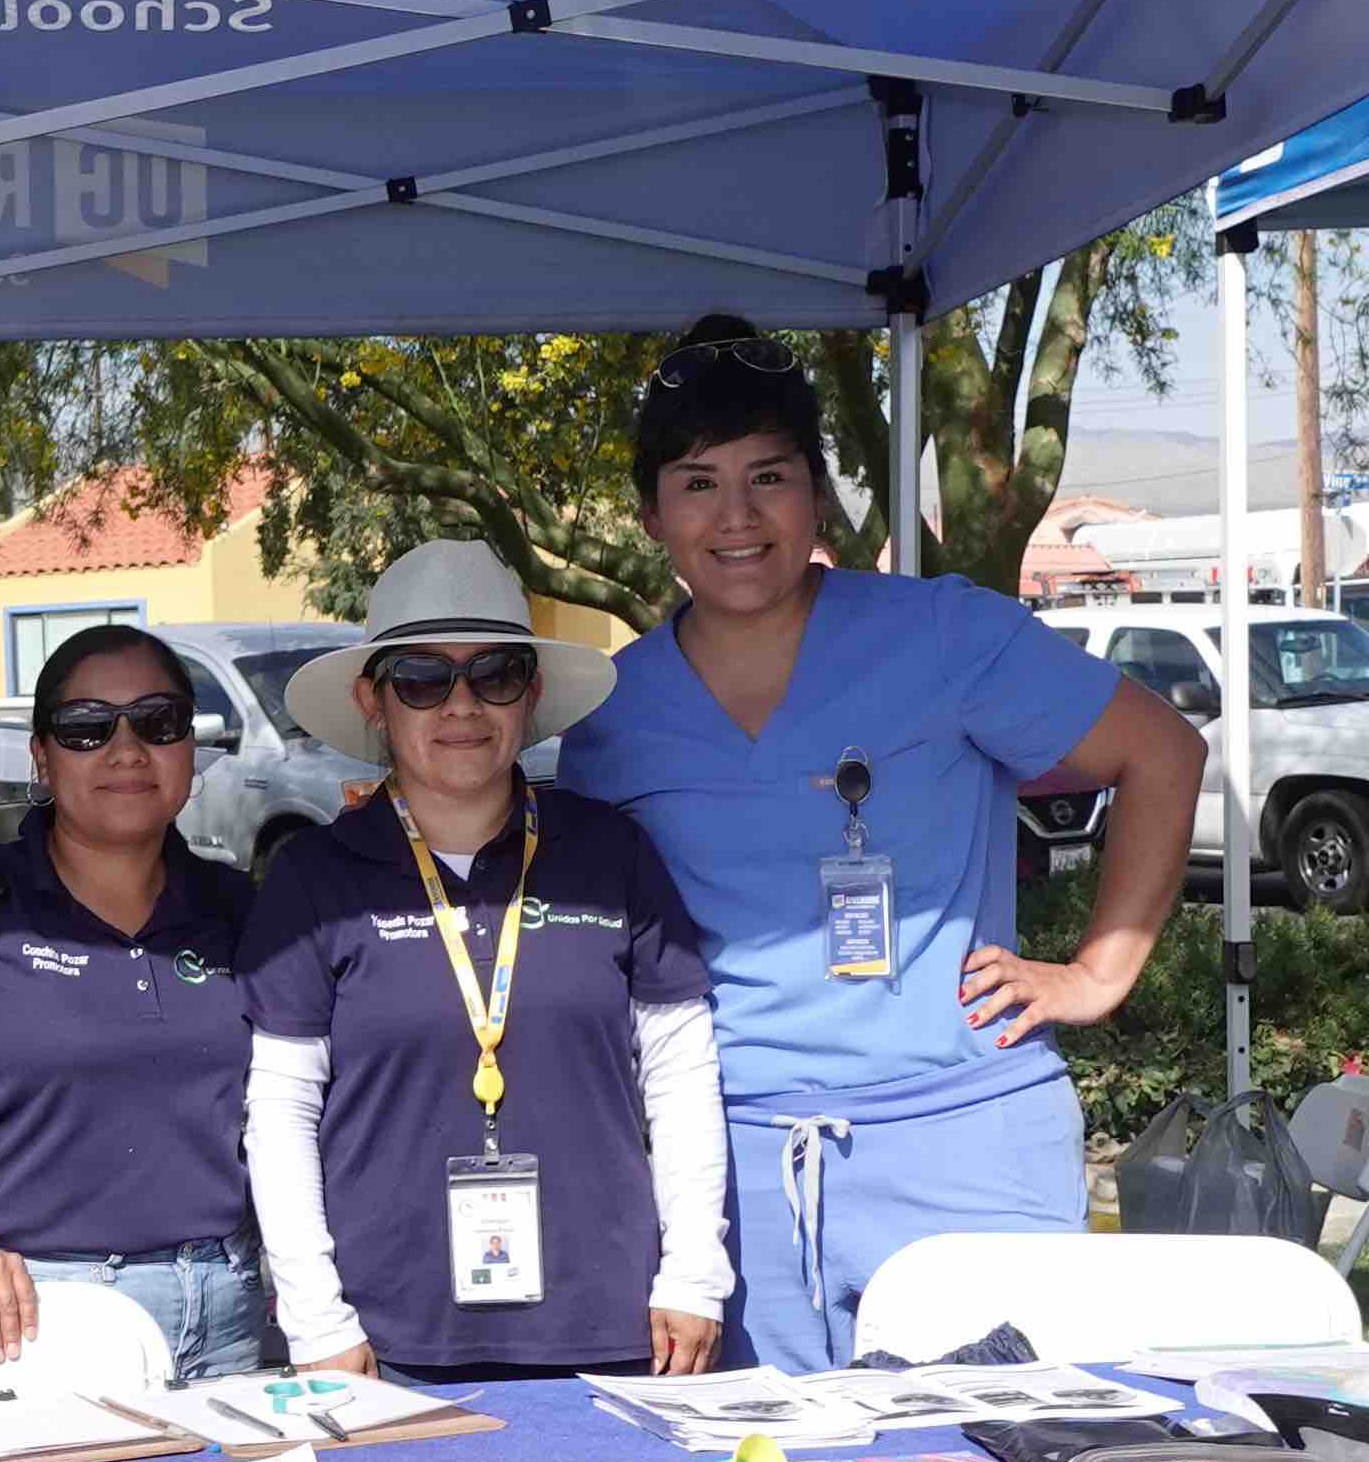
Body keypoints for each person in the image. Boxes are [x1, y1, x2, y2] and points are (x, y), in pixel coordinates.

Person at [553, 319, 1206, 1365]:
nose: (737, 516)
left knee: (1004, 1457)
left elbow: (1161, 752)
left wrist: (1099, 971)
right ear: (650, 516)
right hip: (736, 1179)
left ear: (818, 494)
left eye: (770, 477)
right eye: (698, 483)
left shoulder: (945, 635)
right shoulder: (613, 713)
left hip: (969, 1149)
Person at [237, 542, 729, 1382]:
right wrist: (317, 1319)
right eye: (422, 679)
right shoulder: (315, 877)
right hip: (385, 1342)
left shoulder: (611, 853)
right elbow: (281, 1111)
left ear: (530, 695)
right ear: (373, 700)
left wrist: (694, 1273)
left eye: (495, 674)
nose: (461, 704)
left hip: (613, 1328)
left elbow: (680, 1074)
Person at [0, 623, 267, 1375]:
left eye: (157, 721)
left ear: (189, 745)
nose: (126, 749)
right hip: (38, 1318)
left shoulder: (238, 908)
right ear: (42, 758)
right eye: (86, 727)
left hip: (228, 1311)